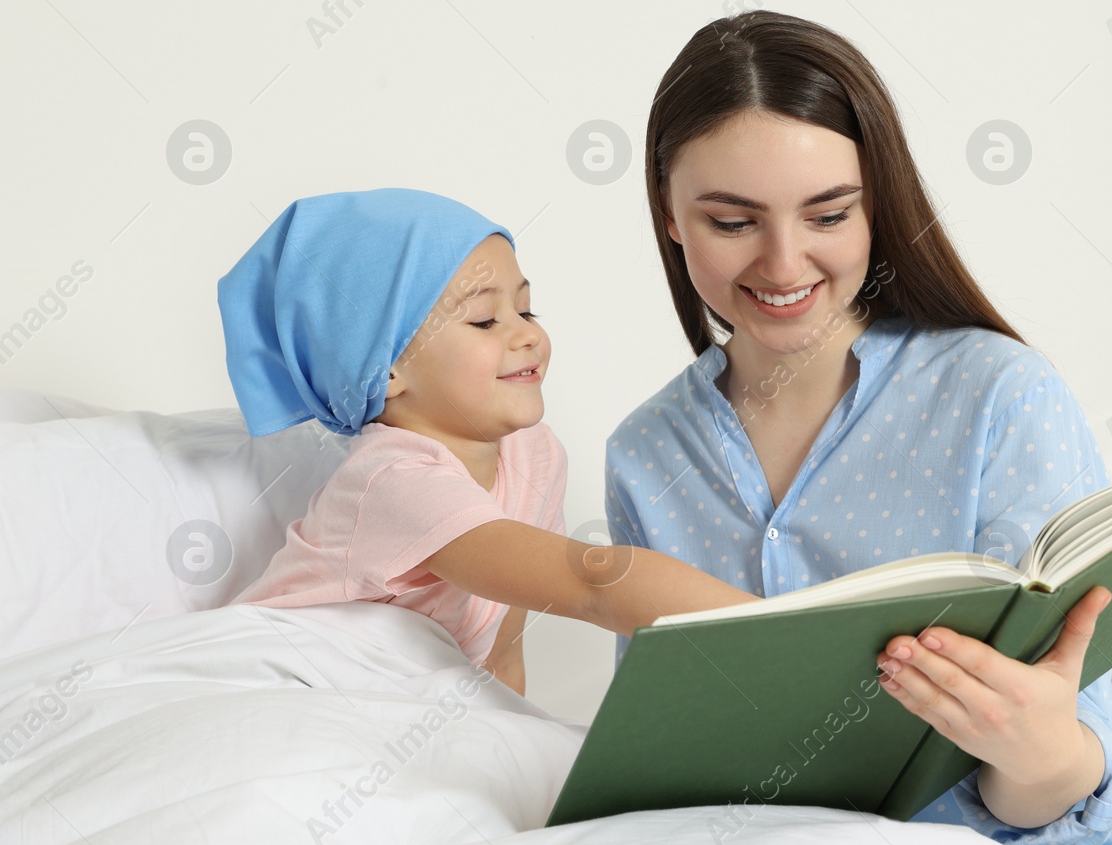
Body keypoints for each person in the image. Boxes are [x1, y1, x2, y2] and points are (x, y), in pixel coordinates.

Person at [603, 11, 1112, 845]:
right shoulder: (645, 454)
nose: (783, 258)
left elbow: (1070, 746)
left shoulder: (998, 395)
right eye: (733, 221)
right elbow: (660, 759)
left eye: (828, 213)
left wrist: (1038, 753)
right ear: (670, 219)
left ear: (877, 201)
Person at [220, 188, 755, 696]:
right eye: (483, 320)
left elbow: (498, 659)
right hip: (275, 691)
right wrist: (780, 630)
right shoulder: (395, 481)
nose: (526, 335)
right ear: (380, 373)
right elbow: (594, 587)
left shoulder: (535, 458)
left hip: (388, 713)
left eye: (526, 311)